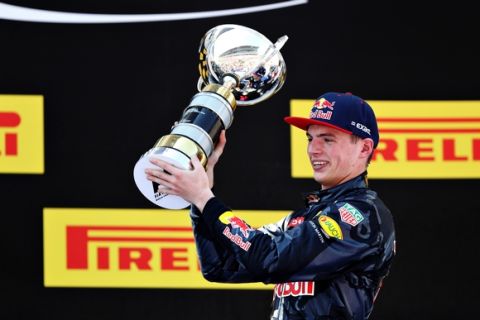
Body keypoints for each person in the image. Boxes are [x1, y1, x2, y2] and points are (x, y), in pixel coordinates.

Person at [145, 92, 396, 320]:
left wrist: (203, 198)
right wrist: (201, 190)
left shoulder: (362, 214)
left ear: (364, 148)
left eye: (328, 140)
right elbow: (220, 265)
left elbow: (267, 259)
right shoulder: (304, 218)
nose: (313, 150)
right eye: (311, 138)